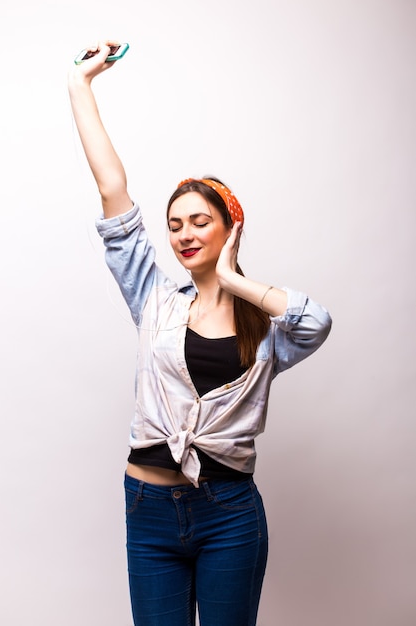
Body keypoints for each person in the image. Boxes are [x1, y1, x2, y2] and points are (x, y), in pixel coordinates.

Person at [68, 41, 332, 626]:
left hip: (230, 512)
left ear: (228, 227)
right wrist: (80, 85)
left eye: (200, 221)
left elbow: (316, 321)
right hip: (150, 505)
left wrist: (234, 279)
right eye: (174, 225)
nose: (184, 234)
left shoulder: (263, 326)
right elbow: (113, 191)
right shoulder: (154, 296)